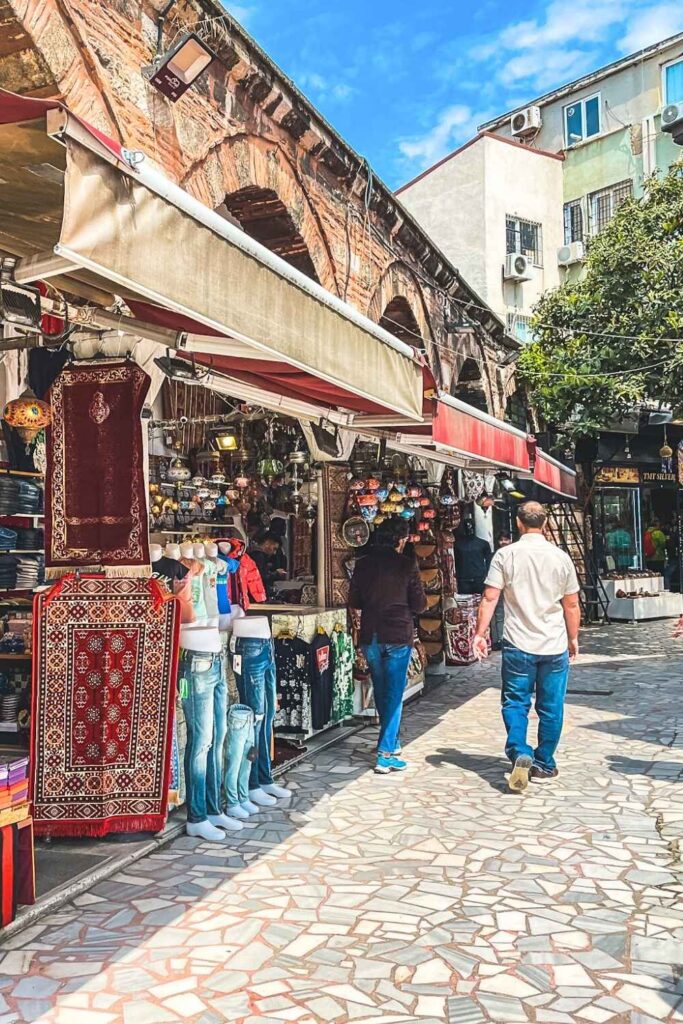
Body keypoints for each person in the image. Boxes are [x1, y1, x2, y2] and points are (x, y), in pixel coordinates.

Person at [472, 501, 581, 793]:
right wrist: (573, 638)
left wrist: (480, 633)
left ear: (519, 523)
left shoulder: (505, 555)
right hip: (553, 643)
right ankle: (544, 761)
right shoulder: (561, 557)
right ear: (544, 524)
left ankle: (520, 749)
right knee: (551, 705)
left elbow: (489, 598)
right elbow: (571, 604)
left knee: (515, 701)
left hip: (518, 642)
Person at [349, 519, 427, 774]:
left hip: (371, 634)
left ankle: (391, 742)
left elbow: (355, 600)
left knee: (383, 690)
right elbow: (419, 605)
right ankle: (384, 754)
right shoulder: (406, 564)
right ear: (401, 539)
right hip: (396, 634)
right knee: (393, 695)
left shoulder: (363, 565)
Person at [454, 519, 492, 594]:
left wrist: (488, 577)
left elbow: (489, 562)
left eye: (471, 526)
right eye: (467, 526)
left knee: (481, 601)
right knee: (464, 602)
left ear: (474, 527)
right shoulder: (457, 545)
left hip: (479, 579)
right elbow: (455, 562)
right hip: (463, 580)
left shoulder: (483, 544)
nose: (469, 528)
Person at [248, 531, 286, 599]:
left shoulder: (253, 553)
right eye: (274, 548)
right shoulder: (258, 556)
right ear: (267, 543)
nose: (274, 553)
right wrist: (276, 573)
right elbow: (261, 576)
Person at [490, 533, 512, 650]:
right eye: (501, 539)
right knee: (499, 613)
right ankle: (499, 638)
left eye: (506, 539)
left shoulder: (515, 554)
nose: (503, 542)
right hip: (499, 587)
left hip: (513, 587)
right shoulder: (495, 556)